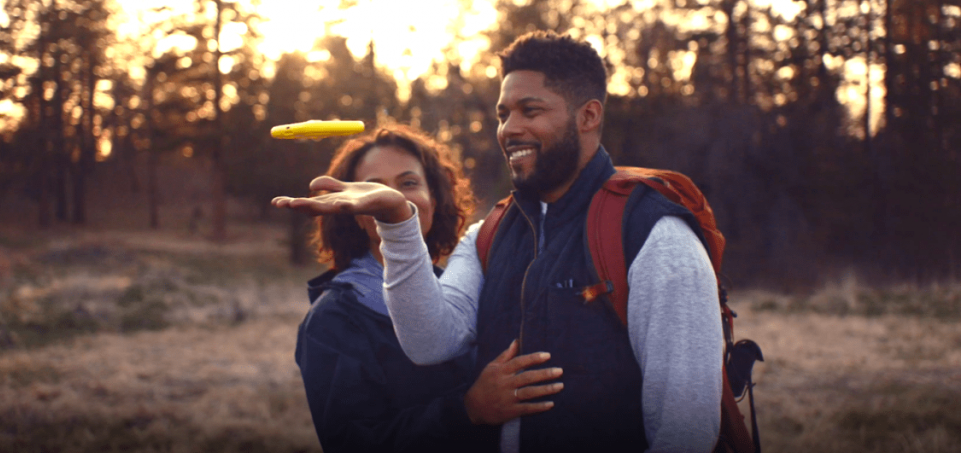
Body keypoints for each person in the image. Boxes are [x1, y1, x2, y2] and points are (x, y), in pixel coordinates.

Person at [276, 32, 723, 452]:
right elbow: (431, 342)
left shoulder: (653, 236)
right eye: (503, 114)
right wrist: (398, 221)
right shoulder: (489, 234)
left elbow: (686, 431)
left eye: (531, 110)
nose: (509, 128)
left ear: (589, 116)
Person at [282, 123, 563, 453]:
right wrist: (469, 410)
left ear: (435, 197)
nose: (393, 198)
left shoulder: (463, 287)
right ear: (352, 211)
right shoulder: (333, 319)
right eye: (373, 187)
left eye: (409, 183)